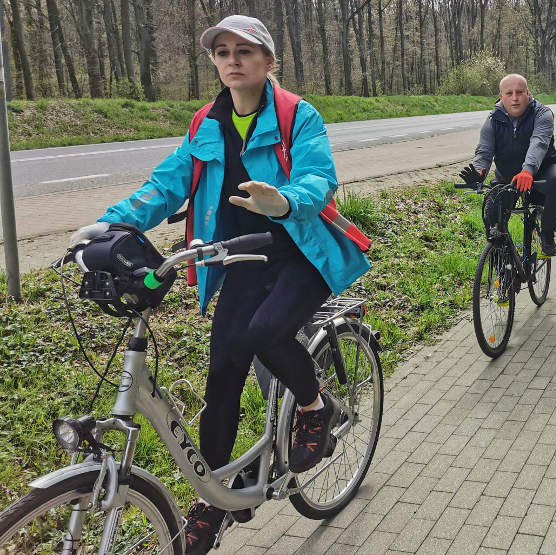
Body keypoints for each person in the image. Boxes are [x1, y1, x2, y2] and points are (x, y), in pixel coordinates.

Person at [67, 15, 370, 554]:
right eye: (222, 51)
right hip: (241, 260)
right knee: (223, 372)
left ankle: (313, 407)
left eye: (245, 51)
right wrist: (112, 222)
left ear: (268, 61)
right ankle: (215, 497)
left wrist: (287, 201)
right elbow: (167, 183)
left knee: (266, 334)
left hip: (301, 253)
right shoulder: (205, 122)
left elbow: (319, 175)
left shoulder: (297, 114)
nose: (233, 60)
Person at [459, 73, 556, 256]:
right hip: (508, 175)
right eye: (509, 93)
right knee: (493, 218)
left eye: (519, 92)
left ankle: (547, 234)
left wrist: (528, 170)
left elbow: (539, 143)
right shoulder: (493, 120)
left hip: (542, 169)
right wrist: (479, 172)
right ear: (501, 97)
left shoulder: (542, 114)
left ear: (528, 93)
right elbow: (484, 151)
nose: (515, 98)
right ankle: (504, 268)